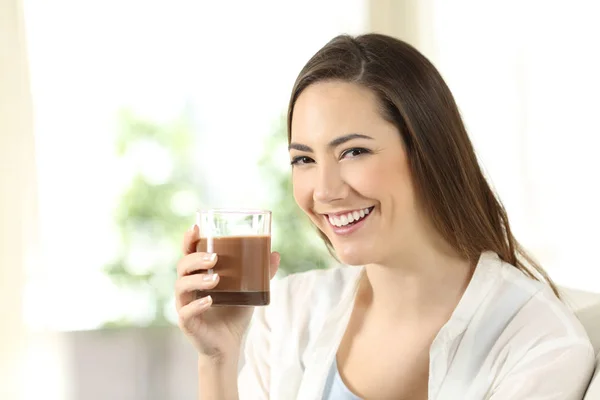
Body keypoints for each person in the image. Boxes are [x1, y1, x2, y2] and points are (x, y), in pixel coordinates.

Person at [174, 34, 595, 399]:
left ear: (428, 152)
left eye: (354, 152)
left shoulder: (537, 341)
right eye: (303, 159)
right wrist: (218, 360)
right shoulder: (289, 315)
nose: (324, 190)